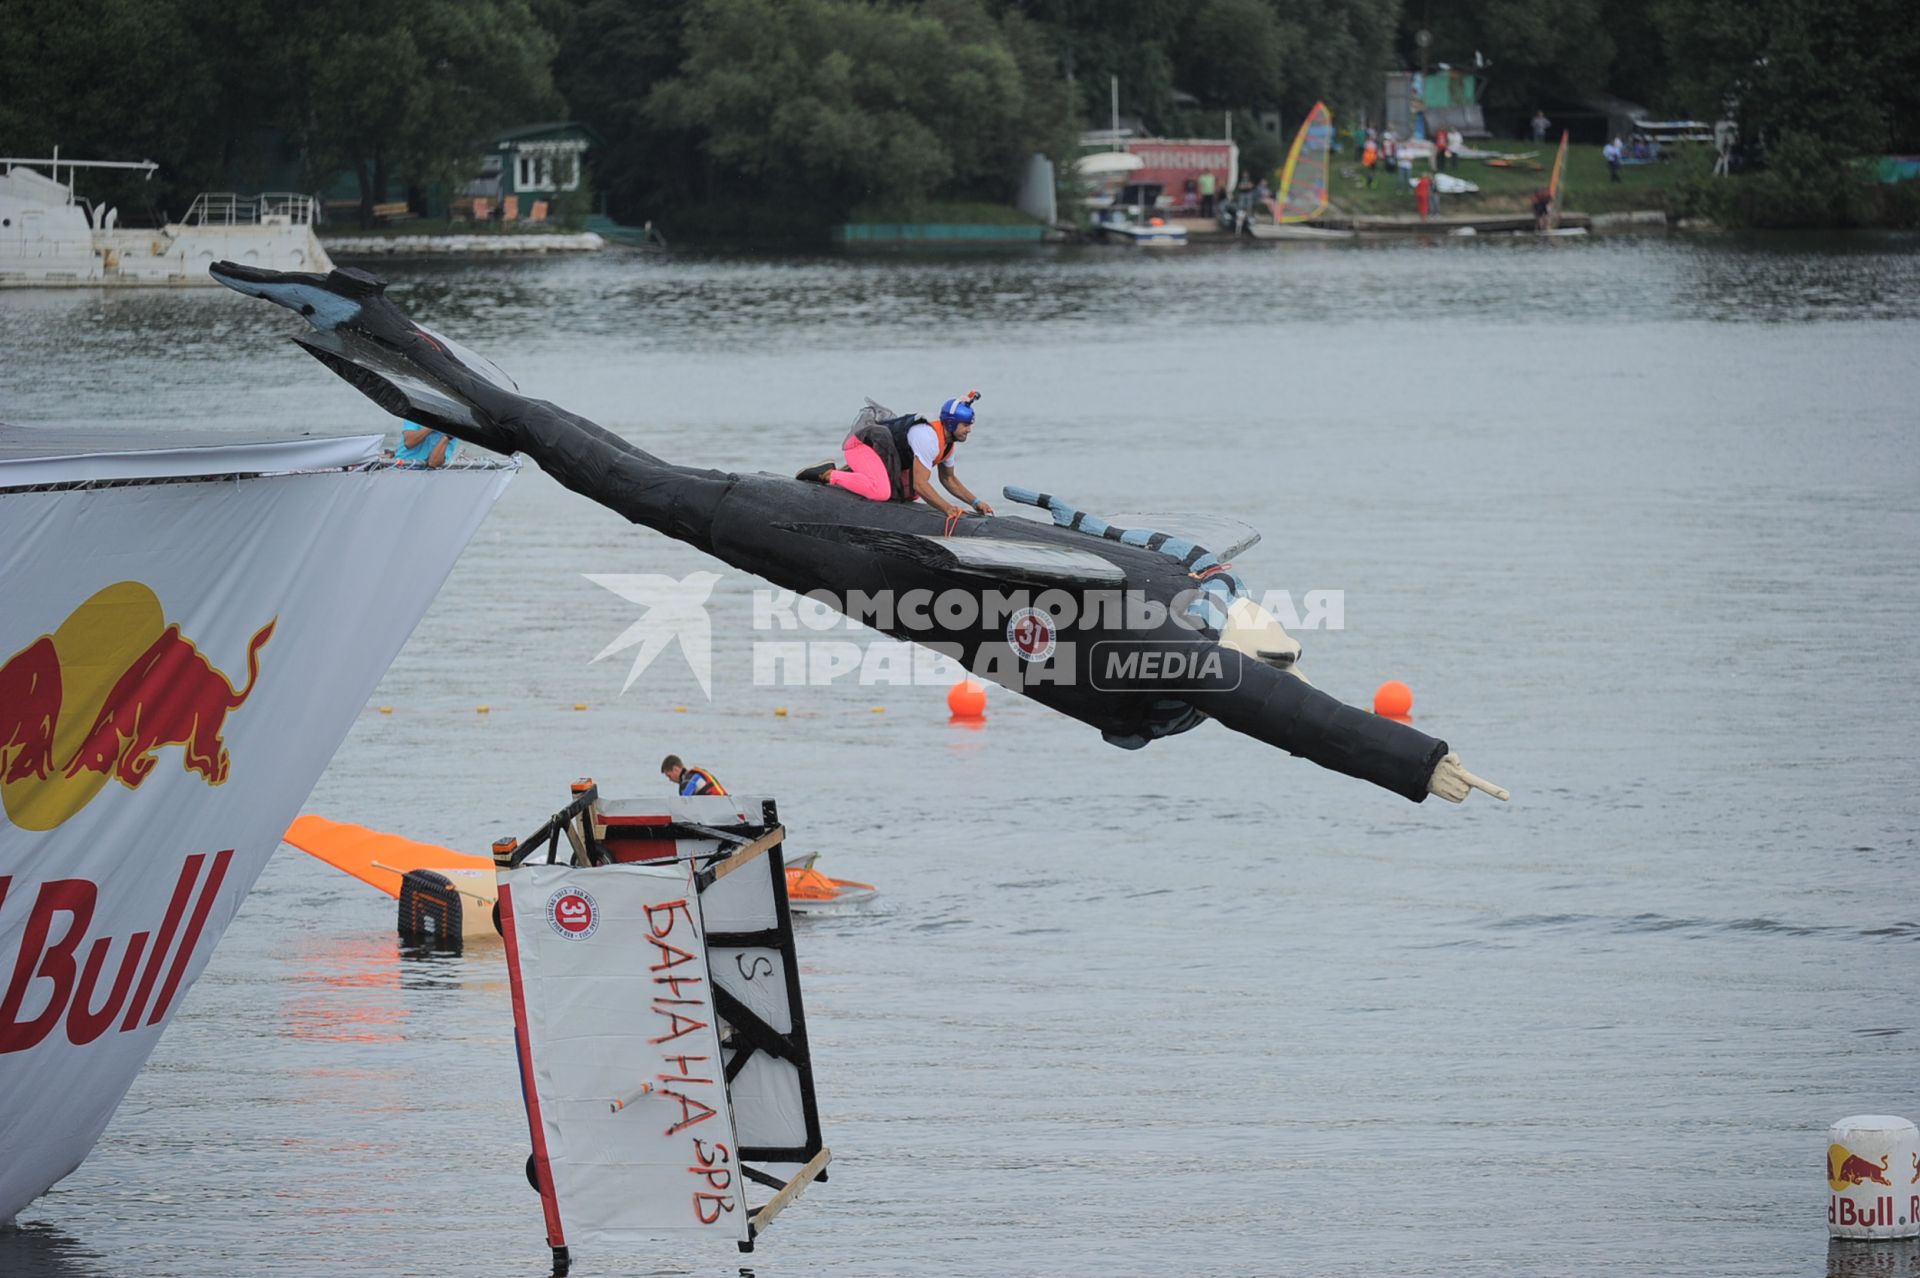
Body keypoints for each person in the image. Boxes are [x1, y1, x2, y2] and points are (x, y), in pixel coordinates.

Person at [799, 392, 994, 523]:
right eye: (966, 425)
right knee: (880, 492)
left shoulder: (948, 444)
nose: (969, 430)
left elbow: (948, 479)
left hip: (884, 456)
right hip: (862, 445)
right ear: (951, 424)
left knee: (910, 494)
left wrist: (976, 503)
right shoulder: (928, 438)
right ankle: (828, 474)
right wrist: (947, 509)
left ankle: (853, 474)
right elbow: (921, 483)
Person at [661, 755, 727, 797]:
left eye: (669, 776)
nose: (670, 780)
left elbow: (684, 804)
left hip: (716, 809)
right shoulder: (695, 775)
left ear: (676, 769)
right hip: (724, 803)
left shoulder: (688, 781)